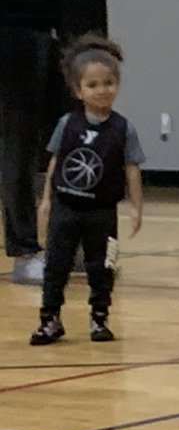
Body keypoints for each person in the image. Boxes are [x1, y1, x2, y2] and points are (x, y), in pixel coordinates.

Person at [0, 0, 91, 285]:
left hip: (49, 33)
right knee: (17, 144)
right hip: (9, 36)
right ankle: (22, 251)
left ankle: (63, 241)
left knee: (63, 135)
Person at [30, 34, 144, 345]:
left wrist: (136, 207)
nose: (102, 90)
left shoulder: (123, 128)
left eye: (108, 83)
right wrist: (46, 200)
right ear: (78, 90)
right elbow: (56, 161)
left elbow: (132, 170)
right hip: (66, 207)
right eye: (92, 85)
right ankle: (50, 319)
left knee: (101, 267)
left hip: (102, 211)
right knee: (56, 264)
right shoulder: (68, 123)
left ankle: (99, 318)